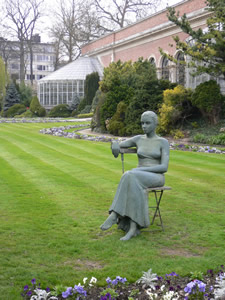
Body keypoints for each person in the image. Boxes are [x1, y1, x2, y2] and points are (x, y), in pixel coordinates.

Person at [100, 111, 170, 241]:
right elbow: (117, 144)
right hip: (137, 177)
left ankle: (115, 214)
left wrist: (142, 169)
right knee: (131, 177)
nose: (144, 126)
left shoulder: (162, 142)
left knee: (130, 175)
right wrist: (114, 146)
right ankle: (132, 228)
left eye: (147, 123)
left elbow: (164, 167)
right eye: (142, 123)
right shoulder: (138, 139)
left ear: (155, 124)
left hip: (156, 177)